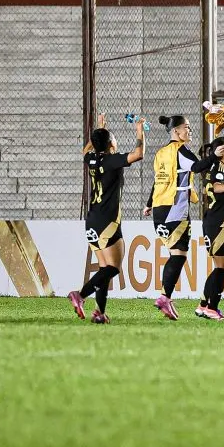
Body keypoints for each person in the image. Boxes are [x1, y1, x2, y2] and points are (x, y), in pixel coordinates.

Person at [144, 115, 224, 321]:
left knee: (175, 253)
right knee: (178, 254)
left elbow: (158, 180)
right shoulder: (181, 150)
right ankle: (164, 297)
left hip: (159, 208)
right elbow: (197, 167)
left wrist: (148, 204)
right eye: (186, 128)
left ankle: (165, 296)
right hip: (175, 208)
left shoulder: (160, 153)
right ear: (176, 131)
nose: (189, 131)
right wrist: (215, 156)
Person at [68, 114, 145, 323]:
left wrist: (100, 129)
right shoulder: (112, 160)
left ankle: (99, 313)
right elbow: (138, 154)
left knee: (104, 269)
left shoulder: (91, 159)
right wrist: (140, 133)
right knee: (113, 268)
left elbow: (86, 151)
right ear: (111, 143)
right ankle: (80, 295)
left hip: (92, 220)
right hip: (108, 221)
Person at [195, 135, 224, 321]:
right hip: (219, 224)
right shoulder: (219, 167)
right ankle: (212, 308)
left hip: (215, 222)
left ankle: (203, 305)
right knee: (223, 267)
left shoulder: (217, 167)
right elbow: (215, 186)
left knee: (220, 267)